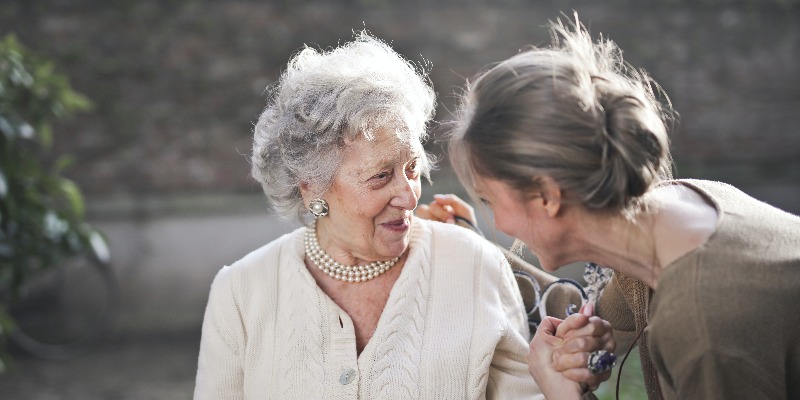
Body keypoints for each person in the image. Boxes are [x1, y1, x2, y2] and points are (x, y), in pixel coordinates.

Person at [193, 32, 614, 399]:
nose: (409, 196)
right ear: (312, 188)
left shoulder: (472, 265)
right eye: (380, 177)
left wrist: (565, 372)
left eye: (412, 168)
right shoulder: (241, 292)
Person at [440, 15, 800, 400]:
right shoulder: (676, 213)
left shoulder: (703, 327)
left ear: (546, 195)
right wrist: (467, 247)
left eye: (490, 201)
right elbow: (588, 312)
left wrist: (563, 392)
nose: (498, 222)